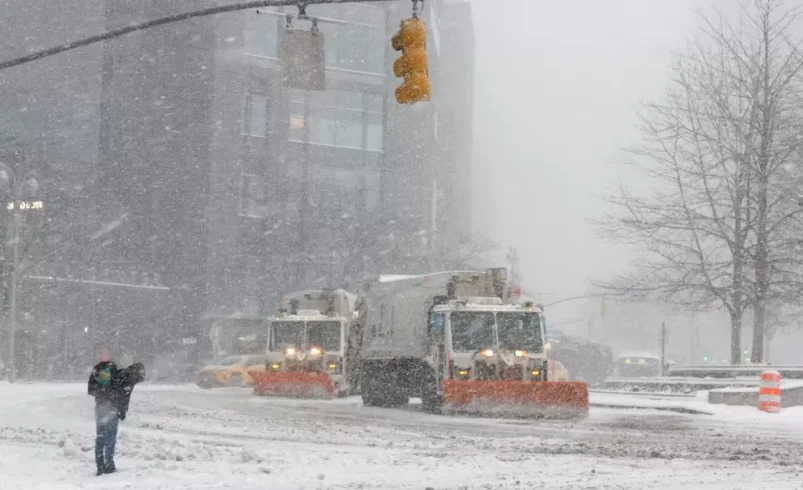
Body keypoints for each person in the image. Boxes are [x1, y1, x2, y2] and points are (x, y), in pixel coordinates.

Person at [87, 355, 146, 476]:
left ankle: (100, 466)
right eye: (142, 376)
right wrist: (122, 411)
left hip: (100, 407)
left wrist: (102, 397)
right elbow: (123, 397)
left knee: (100, 437)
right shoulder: (128, 378)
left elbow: (91, 390)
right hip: (111, 409)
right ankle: (109, 466)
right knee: (110, 438)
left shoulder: (113, 373)